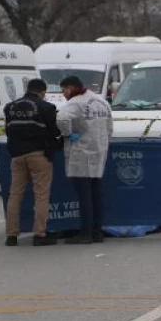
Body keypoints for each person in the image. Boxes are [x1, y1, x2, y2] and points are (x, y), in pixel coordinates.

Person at [4, 79, 62, 247]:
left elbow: (8, 130)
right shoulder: (46, 107)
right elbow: (55, 132)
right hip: (39, 155)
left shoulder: (10, 107)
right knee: (41, 195)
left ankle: (11, 236)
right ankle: (39, 235)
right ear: (43, 92)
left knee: (15, 195)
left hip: (16, 156)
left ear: (27, 90)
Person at [57, 76, 114, 244]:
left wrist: (67, 134)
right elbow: (109, 127)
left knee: (84, 195)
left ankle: (85, 233)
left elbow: (61, 118)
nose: (63, 94)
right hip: (99, 151)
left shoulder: (76, 102)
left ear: (71, 87)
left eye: (64, 90)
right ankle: (97, 232)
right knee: (97, 194)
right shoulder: (102, 101)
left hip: (81, 152)